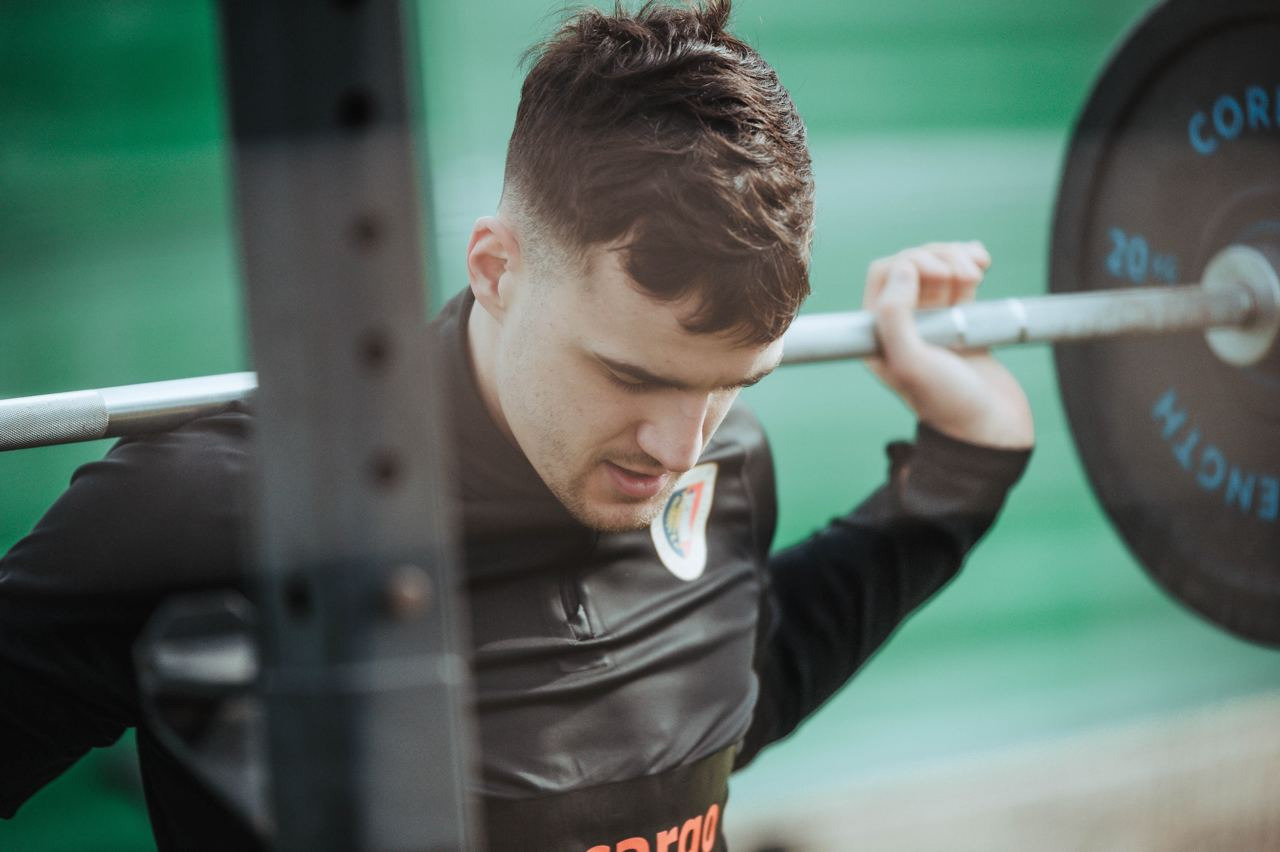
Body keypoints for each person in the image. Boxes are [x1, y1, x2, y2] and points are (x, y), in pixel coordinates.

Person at [0, 1, 1032, 849]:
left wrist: (963, 468)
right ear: (496, 267)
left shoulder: (727, 466)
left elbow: (718, 698)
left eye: (730, 384)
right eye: (630, 374)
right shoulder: (207, 509)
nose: (681, 447)